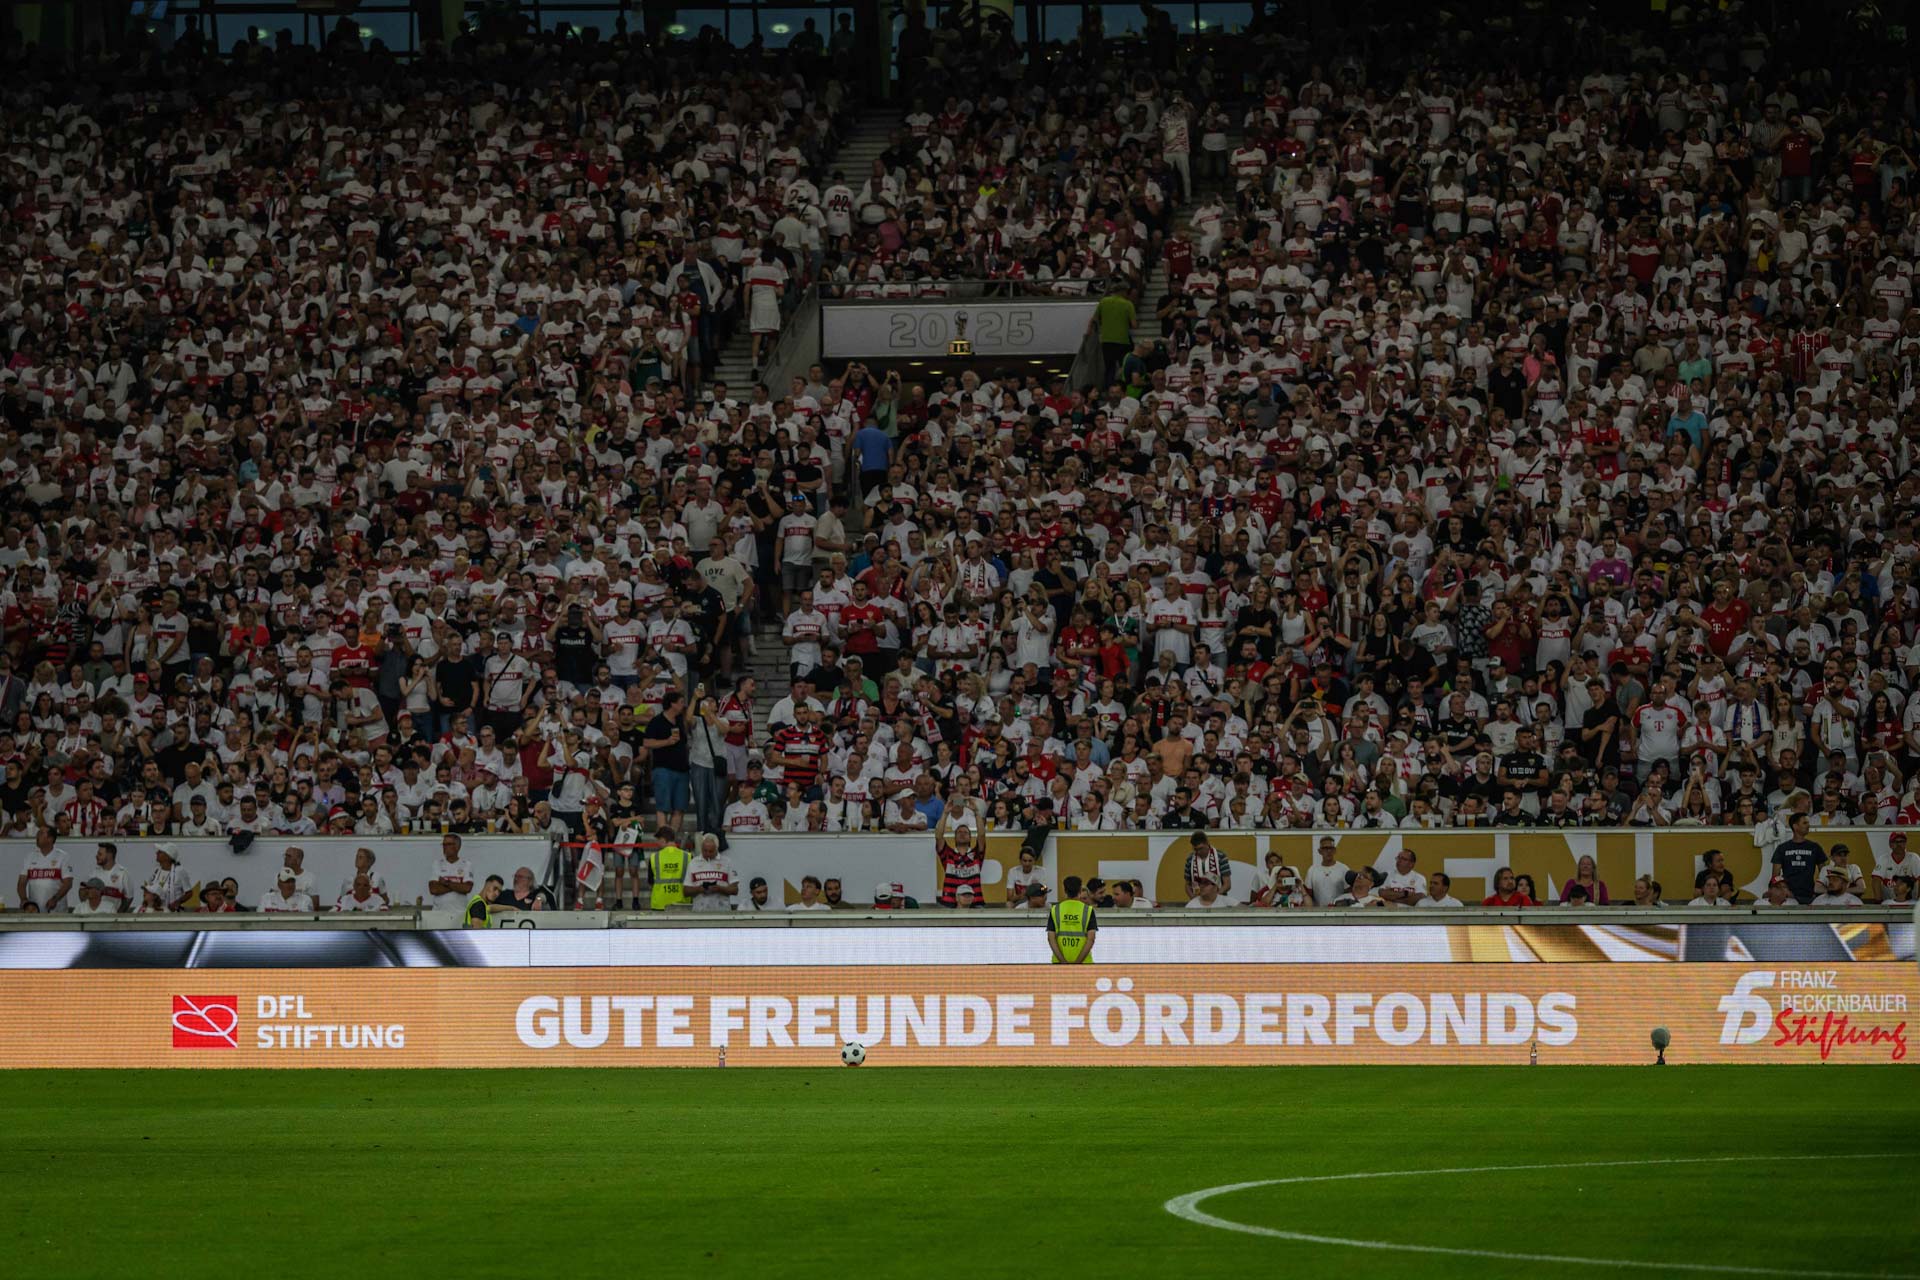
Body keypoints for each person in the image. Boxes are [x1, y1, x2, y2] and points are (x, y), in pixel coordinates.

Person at [1769, 814, 1828, 904]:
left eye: (1808, 823)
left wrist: (1820, 891)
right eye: (1804, 823)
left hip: (1810, 895)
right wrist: (1782, 891)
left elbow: (1824, 873)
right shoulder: (1782, 848)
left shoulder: (1814, 847)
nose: (1808, 825)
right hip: (1788, 897)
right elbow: (1775, 877)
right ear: (1795, 826)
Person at [18, 827, 73, 913]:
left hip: (57, 911)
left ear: (50, 839)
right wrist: (23, 899)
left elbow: (68, 883)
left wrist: (55, 899)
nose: (37, 836)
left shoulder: (63, 856)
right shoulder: (30, 857)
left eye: (40, 833)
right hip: (35, 911)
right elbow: (22, 882)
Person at [684, 834, 739, 912]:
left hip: (722, 912)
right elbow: (686, 891)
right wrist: (699, 889)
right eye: (705, 850)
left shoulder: (727, 862)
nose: (707, 854)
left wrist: (719, 888)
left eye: (711, 851)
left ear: (717, 848)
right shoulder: (693, 863)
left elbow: (735, 890)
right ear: (701, 848)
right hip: (699, 912)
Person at [1046, 882, 1098, 962]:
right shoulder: (1088, 910)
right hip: (1084, 963)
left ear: (1065, 891)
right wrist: (1077, 963)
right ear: (1079, 891)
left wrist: (1063, 962)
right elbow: (1091, 939)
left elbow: (1051, 938)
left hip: (1059, 964)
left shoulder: (1055, 909)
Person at [427, 832, 475, 913]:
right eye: (443, 844)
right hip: (439, 912)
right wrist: (457, 886)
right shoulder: (437, 864)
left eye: (448, 844)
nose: (445, 847)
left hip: (460, 912)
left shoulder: (466, 864)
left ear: (457, 847)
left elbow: (467, 888)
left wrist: (446, 883)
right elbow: (433, 889)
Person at [648, 826, 689, 910]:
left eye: (658, 840)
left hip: (659, 904)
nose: (657, 843)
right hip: (682, 904)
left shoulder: (654, 857)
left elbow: (651, 882)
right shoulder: (687, 856)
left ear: (663, 840)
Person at [1305, 836, 1351, 908]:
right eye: (1325, 848)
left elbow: (1348, 892)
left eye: (1331, 848)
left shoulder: (1344, 869)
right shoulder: (1312, 870)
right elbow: (1308, 893)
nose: (1329, 851)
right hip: (1318, 911)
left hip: (1339, 911)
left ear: (1335, 850)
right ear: (1320, 851)